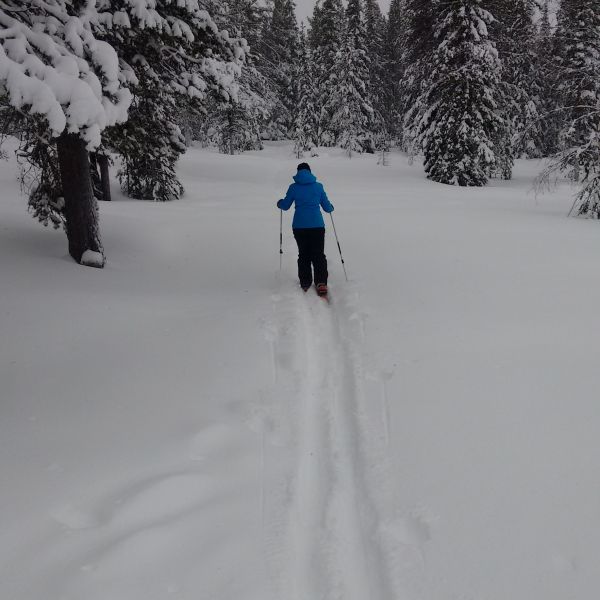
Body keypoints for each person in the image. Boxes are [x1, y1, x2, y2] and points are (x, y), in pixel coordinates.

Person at [277, 163, 334, 296]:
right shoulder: (318, 186)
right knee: (318, 254)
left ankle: (305, 282)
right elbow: (327, 207)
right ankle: (321, 283)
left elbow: (285, 206)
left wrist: (279, 203)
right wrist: (331, 207)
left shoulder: (293, 187)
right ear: (309, 172)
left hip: (299, 226)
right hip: (317, 226)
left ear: (298, 172)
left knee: (303, 254)